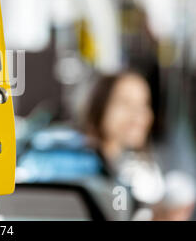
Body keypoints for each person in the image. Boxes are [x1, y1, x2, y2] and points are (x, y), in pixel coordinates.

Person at [82, 71, 195, 220]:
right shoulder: (83, 168)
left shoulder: (136, 171)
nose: (139, 114)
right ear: (100, 106)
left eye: (144, 104)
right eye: (125, 103)